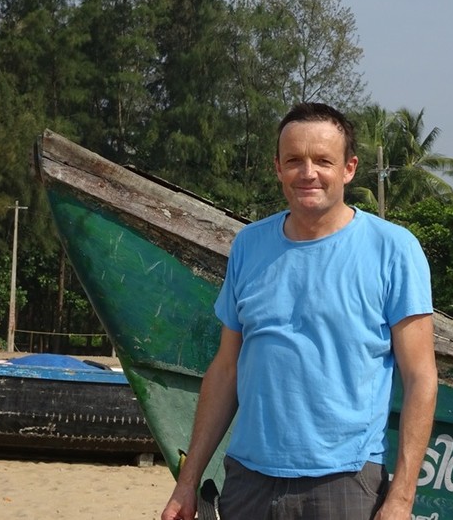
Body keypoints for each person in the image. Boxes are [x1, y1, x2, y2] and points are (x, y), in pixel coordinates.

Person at [161, 102, 438, 520]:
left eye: (323, 160)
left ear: (349, 168)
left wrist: (400, 499)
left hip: (345, 483)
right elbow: (226, 369)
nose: (308, 172)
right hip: (248, 484)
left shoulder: (394, 250)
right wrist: (187, 482)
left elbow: (420, 377)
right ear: (277, 168)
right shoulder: (249, 246)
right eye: (294, 160)